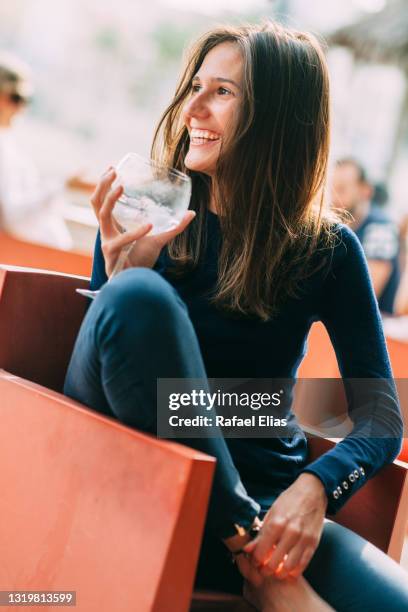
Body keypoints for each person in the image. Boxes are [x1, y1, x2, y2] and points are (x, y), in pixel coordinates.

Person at [63, 22, 408, 611]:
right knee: (137, 300)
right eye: (195, 86)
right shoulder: (142, 213)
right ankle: (245, 548)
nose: (192, 107)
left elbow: (381, 417)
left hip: (274, 506)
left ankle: (249, 544)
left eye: (222, 92)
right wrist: (119, 283)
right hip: (145, 495)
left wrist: (316, 486)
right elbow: (104, 377)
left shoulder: (325, 249)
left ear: (278, 116)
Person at [0, 52, 91, 249]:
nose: (21, 107)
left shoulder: (9, 145)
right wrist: (65, 186)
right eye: (16, 97)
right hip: (22, 258)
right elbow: (13, 219)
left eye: (26, 99)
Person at [331, 158, 400, 314]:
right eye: (333, 189)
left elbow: (366, 294)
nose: (334, 197)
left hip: (377, 326)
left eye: (342, 189)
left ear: (365, 191)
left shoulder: (381, 228)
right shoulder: (336, 226)